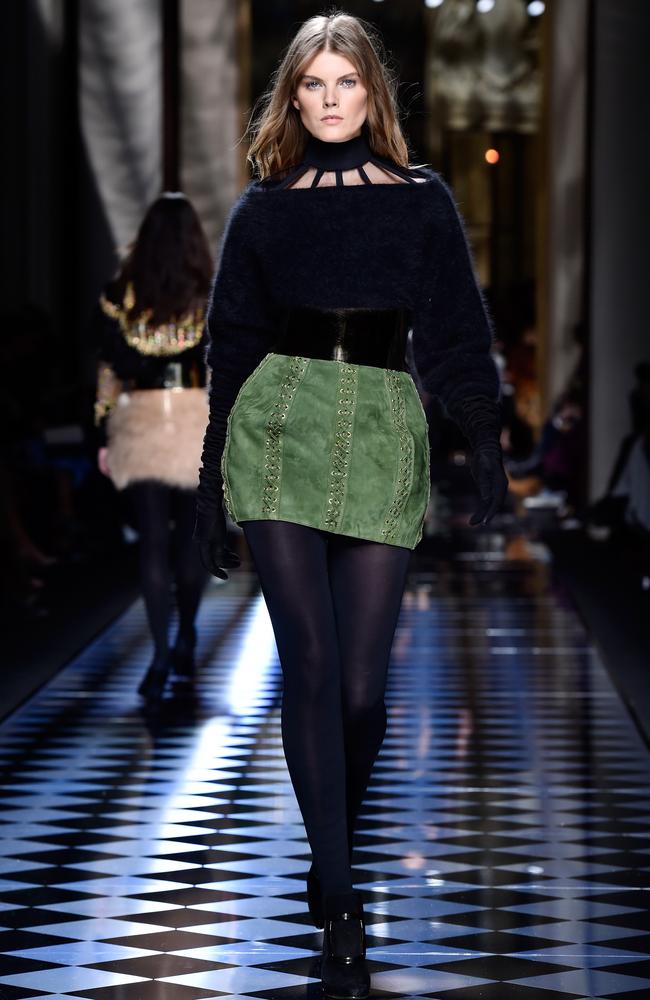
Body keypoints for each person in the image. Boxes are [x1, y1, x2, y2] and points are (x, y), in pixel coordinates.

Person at [194, 12, 507, 998]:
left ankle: (329, 841)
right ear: (292, 99)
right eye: (311, 86)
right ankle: (337, 888)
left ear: (372, 93)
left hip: (379, 426)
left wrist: (485, 436)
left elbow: (454, 321)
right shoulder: (262, 210)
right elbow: (231, 342)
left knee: (363, 693)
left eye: (345, 83)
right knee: (313, 666)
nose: (329, 100)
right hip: (279, 422)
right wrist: (213, 473)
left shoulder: (420, 202)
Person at [93, 192, 211, 706]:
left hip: (139, 420)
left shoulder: (119, 295)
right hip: (195, 418)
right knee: (191, 541)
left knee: (152, 546)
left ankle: (163, 651)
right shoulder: (212, 293)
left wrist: (101, 432)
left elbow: (108, 370)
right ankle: (185, 633)